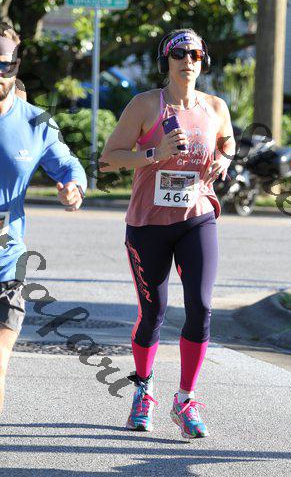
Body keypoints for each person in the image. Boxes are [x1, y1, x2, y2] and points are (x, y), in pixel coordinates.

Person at [100, 28, 235, 439]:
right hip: (148, 225)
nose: (188, 61)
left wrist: (225, 159)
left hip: (197, 218)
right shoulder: (145, 105)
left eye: (196, 54)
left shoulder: (215, 107)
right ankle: (143, 390)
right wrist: (154, 154)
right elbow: (108, 159)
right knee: (153, 313)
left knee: (202, 306)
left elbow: (228, 142)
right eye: (179, 53)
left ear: (203, 61)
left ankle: (185, 399)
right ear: (167, 60)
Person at [0, 22, 87, 413]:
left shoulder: (35, 122)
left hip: (5, 263)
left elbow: (68, 164)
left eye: (5, 64)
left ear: (16, 66)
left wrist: (74, 186)